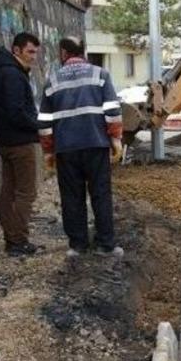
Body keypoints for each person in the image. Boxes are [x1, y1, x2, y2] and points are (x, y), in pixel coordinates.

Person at [38, 37, 124, 258]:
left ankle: (78, 245)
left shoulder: (52, 81)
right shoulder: (100, 75)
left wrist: (48, 151)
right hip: (96, 144)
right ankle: (106, 244)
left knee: (72, 196)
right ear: (82, 52)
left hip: (66, 149)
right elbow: (113, 110)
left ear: (64, 53)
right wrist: (115, 139)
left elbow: (45, 121)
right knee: (100, 194)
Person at [0, 32, 41, 257]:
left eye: (36, 52)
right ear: (16, 50)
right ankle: (17, 241)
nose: (34, 57)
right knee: (25, 192)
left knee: (8, 191)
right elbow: (16, 111)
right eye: (30, 51)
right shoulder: (13, 75)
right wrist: (38, 125)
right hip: (20, 142)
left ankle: (12, 238)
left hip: (4, 140)